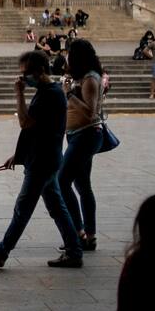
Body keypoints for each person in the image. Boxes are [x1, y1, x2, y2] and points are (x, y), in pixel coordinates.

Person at [0, 50, 82, 269]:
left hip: (42, 162)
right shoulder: (48, 91)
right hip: (45, 158)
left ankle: (1, 252)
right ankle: (74, 251)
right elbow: (38, 129)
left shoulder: (50, 94)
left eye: (26, 74)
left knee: (23, 209)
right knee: (56, 207)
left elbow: (25, 122)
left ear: (40, 71)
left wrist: (19, 94)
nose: (23, 78)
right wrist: (19, 155)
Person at [57, 39, 104, 254]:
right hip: (77, 135)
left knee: (62, 181)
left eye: (69, 54)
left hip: (86, 135)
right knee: (83, 186)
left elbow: (90, 113)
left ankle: (78, 232)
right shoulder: (84, 78)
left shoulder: (91, 80)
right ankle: (89, 236)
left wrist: (68, 94)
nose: (67, 57)